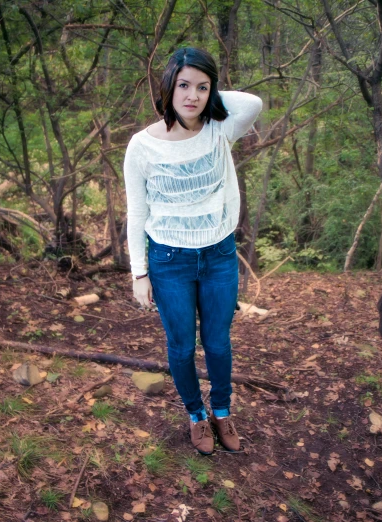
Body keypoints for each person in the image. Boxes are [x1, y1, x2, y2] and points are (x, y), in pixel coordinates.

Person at [123, 47, 263, 455]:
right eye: (183, 85)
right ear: (168, 86)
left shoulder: (221, 129)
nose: (192, 96)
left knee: (218, 343)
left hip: (218, 256)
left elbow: (252, 103)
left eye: (203, 88)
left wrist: (213, 94)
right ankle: (197, 416)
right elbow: (137, 212)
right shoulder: (142, 146)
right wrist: (139, 273)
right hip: (169, 262)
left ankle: (221, 411)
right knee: (182, 345)